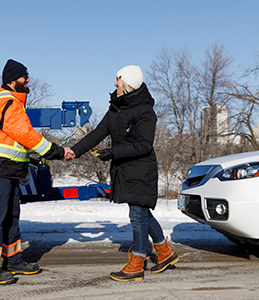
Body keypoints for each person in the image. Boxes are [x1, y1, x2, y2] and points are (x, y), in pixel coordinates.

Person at [64, 65, 179, 282]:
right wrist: (74, 152)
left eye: (118, 80)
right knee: (142, 212)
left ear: (128, 84)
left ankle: (137, 261)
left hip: (141, 170)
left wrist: (113, 152)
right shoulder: (117, 108)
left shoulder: (145, 111)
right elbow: (98, 132)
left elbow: (144, 145)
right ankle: (165, 252)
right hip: (125, 170)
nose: (115, 84)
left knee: (137, 214)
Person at [0, 59, 65, 285]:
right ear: (13, 80)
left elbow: (18, 140)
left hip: (7, 169)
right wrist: (57, 151)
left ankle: (13, 259)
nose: (28, 80)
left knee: (10, 217)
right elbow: (26, 135)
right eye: (25, 77)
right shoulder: (7, 102)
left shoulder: (13, 102)